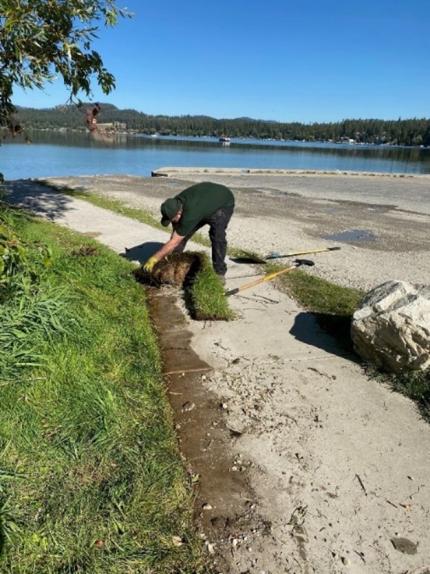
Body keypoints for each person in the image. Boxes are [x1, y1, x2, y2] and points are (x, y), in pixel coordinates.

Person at [143, 181, 235, 280]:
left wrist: (155, 257)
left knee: (217, 236)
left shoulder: (190, 215)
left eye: (172, 220)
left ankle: (219, 272)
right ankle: (173, 263)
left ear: (179, 213)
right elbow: (177, 230)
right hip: (203, 202)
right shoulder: (176, 203)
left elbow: (175, 241)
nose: (172, 222)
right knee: (182, 235)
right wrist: (169, 252)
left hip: (223, 201)